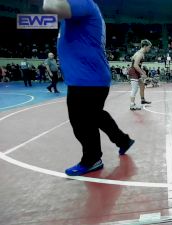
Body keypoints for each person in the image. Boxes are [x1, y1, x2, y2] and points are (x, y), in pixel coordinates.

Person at [43, 0, 135, 176]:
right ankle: (123, 140)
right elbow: (45, 17)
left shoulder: (83, 3)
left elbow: (51, 7)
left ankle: (92, 159)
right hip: (89, 77)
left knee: (81, 121)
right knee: (95, 115)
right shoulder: (78, 13)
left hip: (86, 78)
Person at [128, 39, 152, 110]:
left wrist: (142, 70)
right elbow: (135, 65)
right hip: (134, 72)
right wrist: (142, 73)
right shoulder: (140, 54)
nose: (149, 49)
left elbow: (134, 60)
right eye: (149, 47)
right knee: (134, 89)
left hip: (136, 71)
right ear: (145, 46)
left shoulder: (140, 53)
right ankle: (132, 105)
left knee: (142, 85)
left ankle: (142, 100)